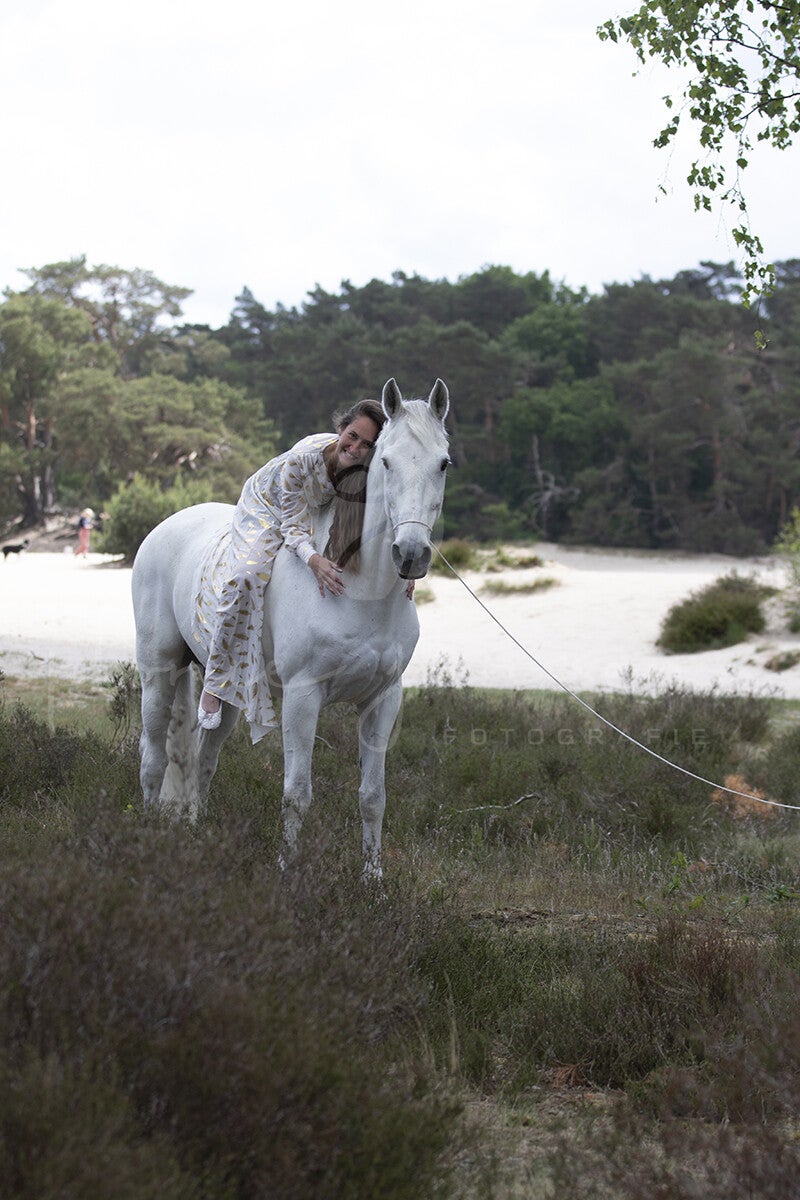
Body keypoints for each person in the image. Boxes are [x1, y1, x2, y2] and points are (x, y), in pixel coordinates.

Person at [197, 398, 390, 737]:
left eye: (366, 444)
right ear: (341, 428)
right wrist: (314, 560)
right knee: (246, 576)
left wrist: (401, 572)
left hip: (311, 511)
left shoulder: (367, 468)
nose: (355, 447)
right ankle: (215, 682)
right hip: (267, 507)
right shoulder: (304, 459)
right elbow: (292, 526)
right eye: (352, 435)